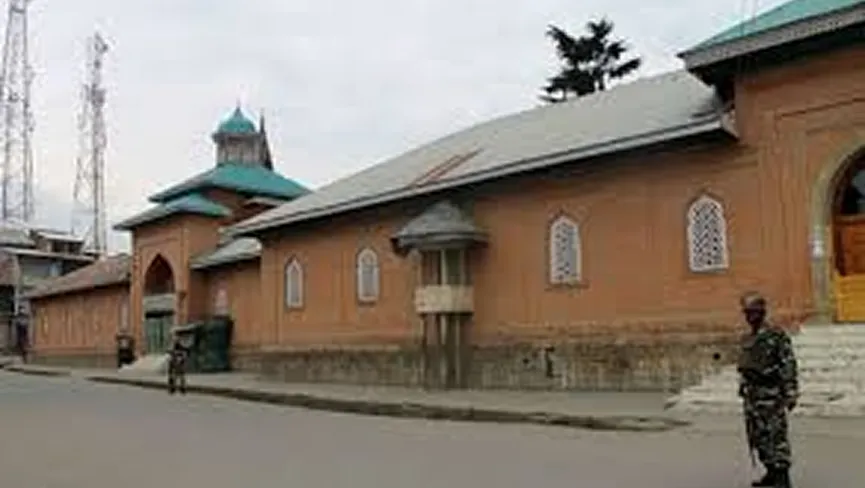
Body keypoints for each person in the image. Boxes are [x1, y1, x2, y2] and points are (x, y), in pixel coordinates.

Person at [737, 292, 799, 488]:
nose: (750, 316)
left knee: (775, 437)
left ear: (762, 312)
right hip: (752, 396)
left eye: (754, 312)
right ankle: (771, 473)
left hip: (771, 395)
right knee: (758, 437)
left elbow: (788, 363)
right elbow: (744, 365)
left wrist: (790, 391)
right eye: (747, 312)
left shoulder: (776, 335)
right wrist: (742, 385)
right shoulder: (747, 338)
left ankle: (782, 479)